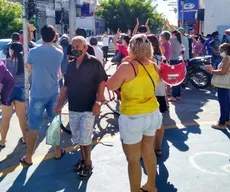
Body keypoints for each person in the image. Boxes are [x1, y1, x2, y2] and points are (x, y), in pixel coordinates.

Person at [107, 34, 162, 192]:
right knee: (148, 152)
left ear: (131, 47)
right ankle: (151, 185)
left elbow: (111, 86)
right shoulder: (153, 65)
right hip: (152, 113)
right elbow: (158, 82)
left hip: (133, 117)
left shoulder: (127, 66)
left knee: (133, 159)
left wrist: (124, 63)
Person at [55, 36, 107, 178]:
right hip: (74, 107)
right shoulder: (71, 66)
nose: (75, 49)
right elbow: (66, 86)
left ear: (85, 48)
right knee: (78, 137)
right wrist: (59, 104)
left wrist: (98, 102)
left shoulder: (94, 63)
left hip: (89, 107)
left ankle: (88, 164)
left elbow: (102, 82)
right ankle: (83, 159)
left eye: (78, 46)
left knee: (85, 138)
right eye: (73, 47)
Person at [20, 25, 64, 166]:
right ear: (54, 36)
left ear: (41, 35)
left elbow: (30, 68)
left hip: (38, 93)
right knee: (55, 123)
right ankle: (57, 151)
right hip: (53, 91)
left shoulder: (33, 52)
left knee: (34, 127)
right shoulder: (59, 52)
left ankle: (28, 157)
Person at [0, 43, 27, 148]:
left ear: (11, 51)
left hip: (8, 91)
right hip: (21, 90)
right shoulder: (25, 62)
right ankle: (25, 138)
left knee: (6, 118)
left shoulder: (5, 62)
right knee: (22, 117)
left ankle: (2, 141)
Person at [148, 34, 167, 158]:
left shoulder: (148, 60)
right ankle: (158, 147)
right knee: (159, 121)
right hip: (160, 91)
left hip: (150, 92)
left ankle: (150, 148)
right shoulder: (162, 57)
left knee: (149, 123)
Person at [206, 43, 230, 129]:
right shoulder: (227, 58)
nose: (220, 52)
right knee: (226, 103)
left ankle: (222, 123)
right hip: (226, 84)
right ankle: (226, 119)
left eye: (221, 50)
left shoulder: (227, 58)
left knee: (223, 104)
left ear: (226, 50)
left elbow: (223, 71)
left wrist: (212, 71)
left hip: (224, 84)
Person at [0, 61, 15, 149]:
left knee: (5, 118)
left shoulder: (0, 65)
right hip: (7, 92)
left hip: (7, 93)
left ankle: (2, 141)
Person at [169, 30, 183, 102]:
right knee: (177, 79)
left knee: (173, 79)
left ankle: (173, 96)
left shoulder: (173, 40)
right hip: (177, 60)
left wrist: (165, 26)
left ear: (173, 35)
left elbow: (164, 38)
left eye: (171, 34)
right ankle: (178, 95)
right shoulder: (179, 41)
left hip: (172, 61)